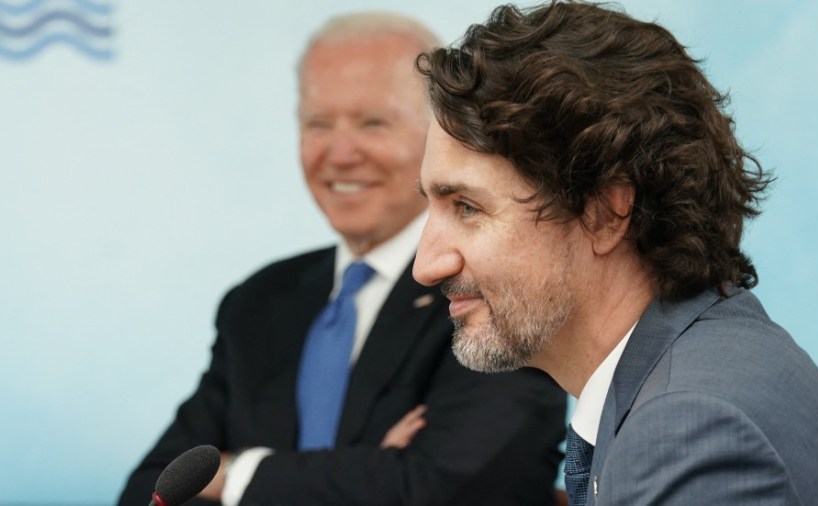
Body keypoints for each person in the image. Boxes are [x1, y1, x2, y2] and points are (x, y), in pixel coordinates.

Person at [412, 2, 818, 505]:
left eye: (467, 207)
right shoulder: (700, 369)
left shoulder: (687, 430)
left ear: (605, 212)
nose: (425, 266)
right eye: (431, 207)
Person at [118, 12, 566, 506]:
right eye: (318, 123)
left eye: (373, 122)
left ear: (444, 133)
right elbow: (151, 490)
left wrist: (236, 473)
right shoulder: (258, 302)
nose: (340, 152)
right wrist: (368, 471)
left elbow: (450, 489)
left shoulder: (493, 284)